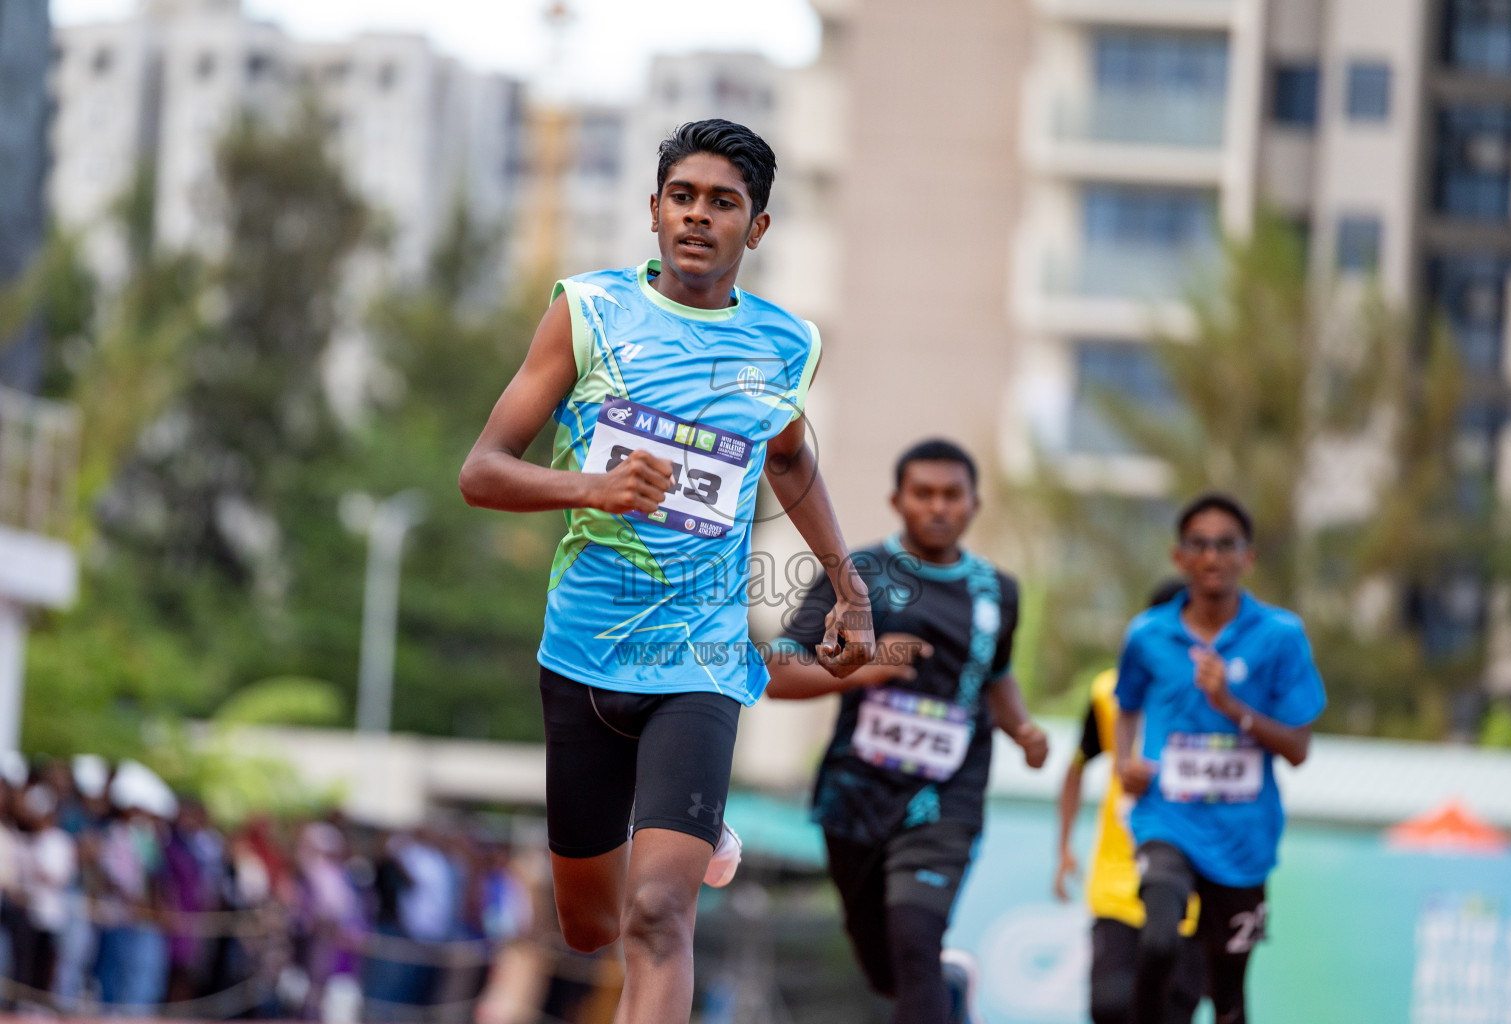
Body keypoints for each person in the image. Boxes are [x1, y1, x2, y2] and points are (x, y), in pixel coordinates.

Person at [459, 119, 874, 1024]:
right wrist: (594, 488)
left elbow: (791, 461)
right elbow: (481, 472)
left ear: (755, 228)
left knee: (658, 916)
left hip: (700, 659)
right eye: (682, 197)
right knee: (589, 923)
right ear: (652, 211)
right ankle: (683, 823)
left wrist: (848, 582)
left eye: (723, 203)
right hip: (582, 651)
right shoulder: (588, 310)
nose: (698, 216)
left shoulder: (786, 344)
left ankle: (686, 818)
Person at [767, 439, 1050, 1024]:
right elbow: (777, 673)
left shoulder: (999, 592)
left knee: (915, 938)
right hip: (857, 795)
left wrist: (1021, 727)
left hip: (947, 797)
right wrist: (868, 669)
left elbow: (996, 671)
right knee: (887, 967)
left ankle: (935, 979)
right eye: (924, 494)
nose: (938, 507)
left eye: (952, 495)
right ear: (899, 500)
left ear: (974, 503)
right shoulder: (857, 577)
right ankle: (947, 989)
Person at [1115, 493, 1326, 1024]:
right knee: (1159, 939)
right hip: (1168, 818)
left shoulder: (1280, 637)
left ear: (1247, 557)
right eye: (1199, 545)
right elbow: (1125, 707)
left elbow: (1299, 751)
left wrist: (1232, 707)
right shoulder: (1147, 635)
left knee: (1228, 996)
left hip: (1243, 837)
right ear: (1179, 557)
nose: (1212, 557)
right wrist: (1125, 762)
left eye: (1225, 545)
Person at [1052, 581, 1204, 1024]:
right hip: (1118, 879)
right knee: (1111, 1006)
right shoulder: (1109, 693)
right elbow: (1077, 765)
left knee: (1171, 1012)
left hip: (1192, 890)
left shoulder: (1223, 700)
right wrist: (1063, 847)